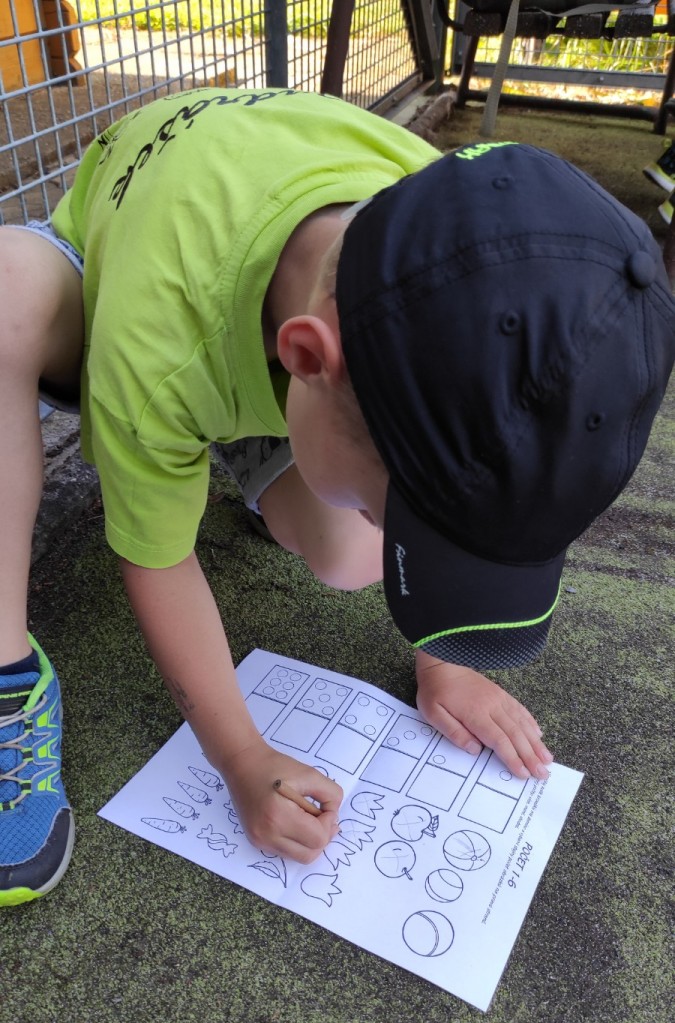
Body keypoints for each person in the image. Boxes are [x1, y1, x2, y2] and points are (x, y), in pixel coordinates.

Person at [1, 88, 673, 906]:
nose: (393, 529)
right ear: (305, 361)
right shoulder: (156, 351)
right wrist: (240, 757)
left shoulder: (454, 231)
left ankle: (272, 448)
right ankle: (6, 673)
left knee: (351, 559)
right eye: (393, 511)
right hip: (100, 283)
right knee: (7, 293)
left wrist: (446, 658)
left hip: (266, 336)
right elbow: (156, 559)